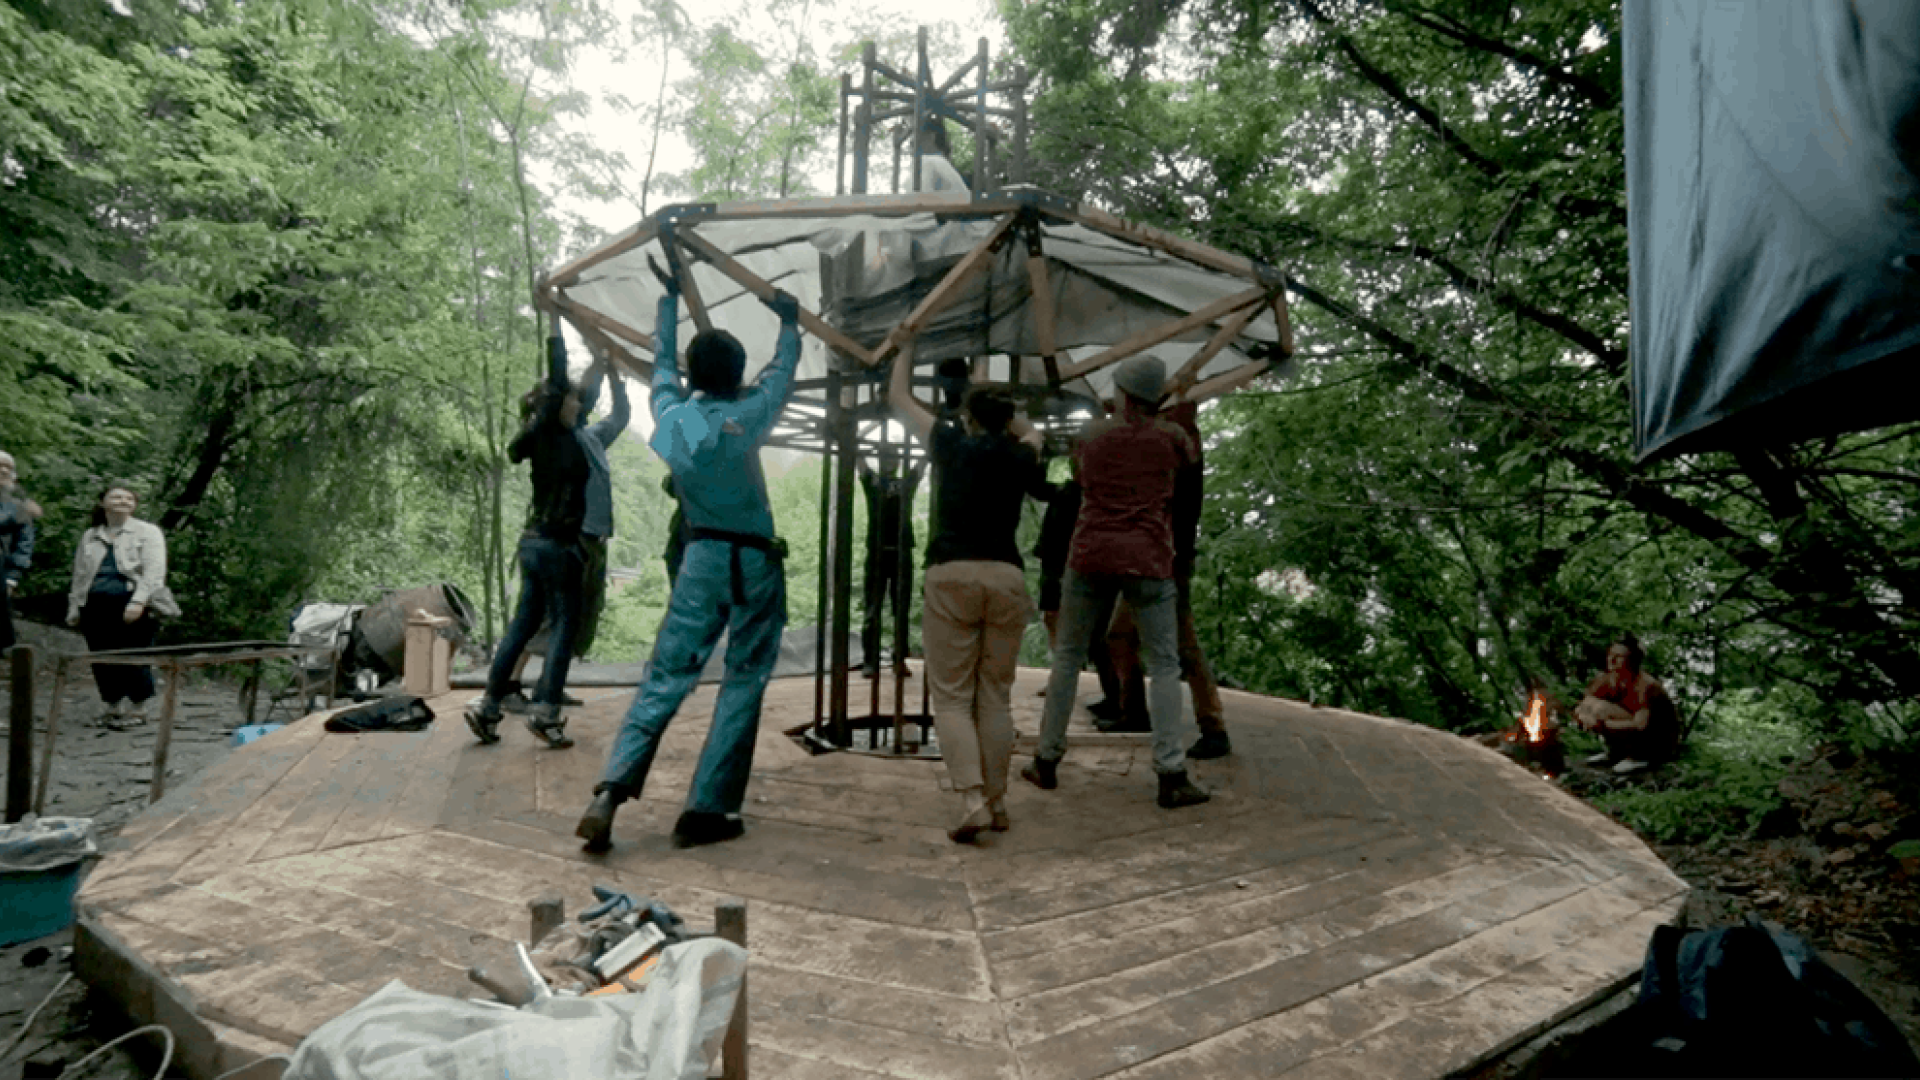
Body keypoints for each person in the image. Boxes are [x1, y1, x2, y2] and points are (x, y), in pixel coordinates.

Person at [575, 273, 805, 852]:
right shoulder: (749, 414)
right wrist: (788, 322)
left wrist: (668, 302)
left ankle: (611, 790)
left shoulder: (671, 417)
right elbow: (781, 373)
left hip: (700, 557)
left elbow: (660, 367)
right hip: (753, 560)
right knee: (744, 679)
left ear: (692, 375)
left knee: (666, 676)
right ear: (737, 375)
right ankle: (708, 807)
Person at [1023, 356, 1210, 809]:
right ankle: (1171, 773)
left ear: (1122, 392)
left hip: (1090, 553)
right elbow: (1189, 463)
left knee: (1068, 657)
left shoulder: (1091, 435)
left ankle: (1046, 759)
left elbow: (1081, 478)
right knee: (1164, 665)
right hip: (1149, 558)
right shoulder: (1172, 438)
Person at [888, 343, 1053, 842]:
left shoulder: (949, 443)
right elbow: (1032, 431)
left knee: (953, 698)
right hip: (1005, 576)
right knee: (995, 696)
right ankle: (998, 802)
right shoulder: (1023, 453)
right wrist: (1005, 408)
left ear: (967, 417)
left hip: (952, 574)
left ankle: (972, 801)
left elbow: (898, 398)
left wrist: (906, 344)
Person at [464, 334, 591, 749]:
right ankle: (546, 711)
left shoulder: (540, 436)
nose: (579, 407)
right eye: (573, 401)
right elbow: (558, 377)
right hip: (558, 545)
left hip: (533, 544)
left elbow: (580, 394)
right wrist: (554, 322)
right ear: (556, 402)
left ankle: (488, 708)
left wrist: (604, 364)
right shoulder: (554, 430)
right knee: (564, 628)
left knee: (522, 625)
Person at [498, 354, 631, 713]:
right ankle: (510, 685)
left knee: (579, 615)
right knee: (544, 615)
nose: (579, 405)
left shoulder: (592, 437)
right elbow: (580, 396)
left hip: (595, 537)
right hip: (570, 538)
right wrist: (597, 369)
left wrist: (614, 376)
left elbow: (620, 417)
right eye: (572, 401)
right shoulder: (561, 439)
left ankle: (550, 686)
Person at [1100, 401, 1232, 758]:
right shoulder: (1170, 450)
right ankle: (1134, 712)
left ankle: (1214, 727)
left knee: (1183, 642)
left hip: (1171, 560)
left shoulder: (1184, 454)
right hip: (1151, 557)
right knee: (1120, 635)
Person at [65, 481, 178, 728]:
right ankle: (113, 706)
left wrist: (138, 602)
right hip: (94, 604)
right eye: (116, 497)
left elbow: (154, 571)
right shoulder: (91, 535)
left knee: (135, 655)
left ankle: (138, 709)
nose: (123, 502)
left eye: (129, 498)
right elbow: (80, 574)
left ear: (135, 505)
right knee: (101, 656)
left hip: (133, 601)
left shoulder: (147, 532)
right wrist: (74, 607)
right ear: (103, 502)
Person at [1033, 468, 1126, 719]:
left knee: (1093, 632)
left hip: (1071, 565)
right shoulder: (1066, 491)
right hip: (1056, 563)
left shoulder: (1090, 495)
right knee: (1055, 620)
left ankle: (1111, 695)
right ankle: (1101, 692)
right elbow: (1038, 489)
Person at [857, 445, 922, 677]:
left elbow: (921, 466)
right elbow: (859, 460)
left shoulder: (905, 483)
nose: (890, 461)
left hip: (901, 552)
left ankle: (899, 659)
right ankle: (870, 661)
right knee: (872, 609)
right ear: (880, 459)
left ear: (898, 462)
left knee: (901, 609)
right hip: (877, 551)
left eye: (893, 458)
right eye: (886, 457)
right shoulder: (873, 481)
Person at [1574, 633, 1680, 775]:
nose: (1612, 660)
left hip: (1657, 740)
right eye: (1610, 655)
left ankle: (1640, 757)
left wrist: (1604, 724)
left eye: (1618, 657)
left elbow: (1640, 725)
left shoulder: (1645, 685)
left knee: (1601, 709)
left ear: (1632, 660)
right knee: (1593, 707)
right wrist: (1586, 718)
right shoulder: (1606, 679)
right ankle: (1616, 753)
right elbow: (1584, 705)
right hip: (1626, 725)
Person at [0, 452, 42, 655]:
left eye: (8, 467)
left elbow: (24, 543)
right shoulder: (20, 509)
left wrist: (12, 576)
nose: (3, 470)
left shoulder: (17, 506)